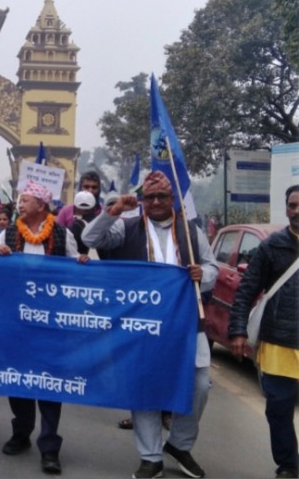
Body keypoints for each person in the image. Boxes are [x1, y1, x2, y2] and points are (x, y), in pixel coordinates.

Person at [81, 171, 218, 479]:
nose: (156, 202)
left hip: (185, 323)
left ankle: (180, 444)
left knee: (199, 386)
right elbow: (89, 239)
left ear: (173, 200)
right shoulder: (126, 228)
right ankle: (150, 456)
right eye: (150, 197)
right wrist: (113, 210)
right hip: (141, 325)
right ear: (142, 201)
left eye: (162, 197)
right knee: (144, 386)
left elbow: (212, 267)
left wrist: (202, 274)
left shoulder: (191, 230)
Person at [0, 180, 87, 475]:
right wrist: (0, 255)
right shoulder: (7, 232)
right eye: (20, 200)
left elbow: (75, 267)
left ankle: (49, 446)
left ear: (42, 206)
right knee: (18, 378)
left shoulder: (61, 233)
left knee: (49, 381)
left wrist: (82, 263)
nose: (20, 204)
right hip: (16, 319)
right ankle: (21, 433)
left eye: (26, 200)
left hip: (51, 321)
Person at [228, 185, 299, 479]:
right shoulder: (272, 246)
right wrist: (238, 331)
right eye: (292, 205)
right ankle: (289, 465)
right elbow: (246, 290)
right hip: (278, 342)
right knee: (279, 408)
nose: (296, 211)